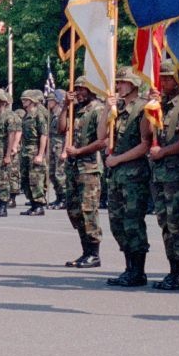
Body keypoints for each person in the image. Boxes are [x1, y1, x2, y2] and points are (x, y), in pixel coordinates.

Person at [149, 61, 179, 290]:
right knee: (165, 221)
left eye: (167, 78)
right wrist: (152, 108)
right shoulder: (162, 104)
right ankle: (173, 268)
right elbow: (150, 133)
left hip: (176, 171)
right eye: (162, 77)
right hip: (160, 172)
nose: (163, 82)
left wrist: (163, 151)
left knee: (177, 220)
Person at [104, 68, 153, 287]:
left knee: (133, 223)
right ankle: (128, 267)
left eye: (123, 82)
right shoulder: (119, 108)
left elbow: (145, 143)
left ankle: (138, 271)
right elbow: (101, 135)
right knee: (117, 223)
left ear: (133, 84)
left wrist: (119, 159)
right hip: (117, 175)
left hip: (133, 174)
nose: (119, 86)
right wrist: (108, 108)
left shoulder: (142, 107)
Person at [61, 77, 108, 269]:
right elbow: (61, 128)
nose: (78, 92)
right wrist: (65, 107)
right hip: (73, 167)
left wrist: (80, 152)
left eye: (82, 89)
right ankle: (85, 250)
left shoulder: (98, 110)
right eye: (76, 88)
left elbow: (103, 140)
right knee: (74, 210)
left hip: (89, 166)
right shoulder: (75, 109)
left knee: (88, 210)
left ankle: (93, 253)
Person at [0, 88, 20, 217]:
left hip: (2, 154)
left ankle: (3, 206)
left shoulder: (9, 116)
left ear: (2, 102)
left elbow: (11, 135)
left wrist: (7, 155)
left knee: (3, 181)